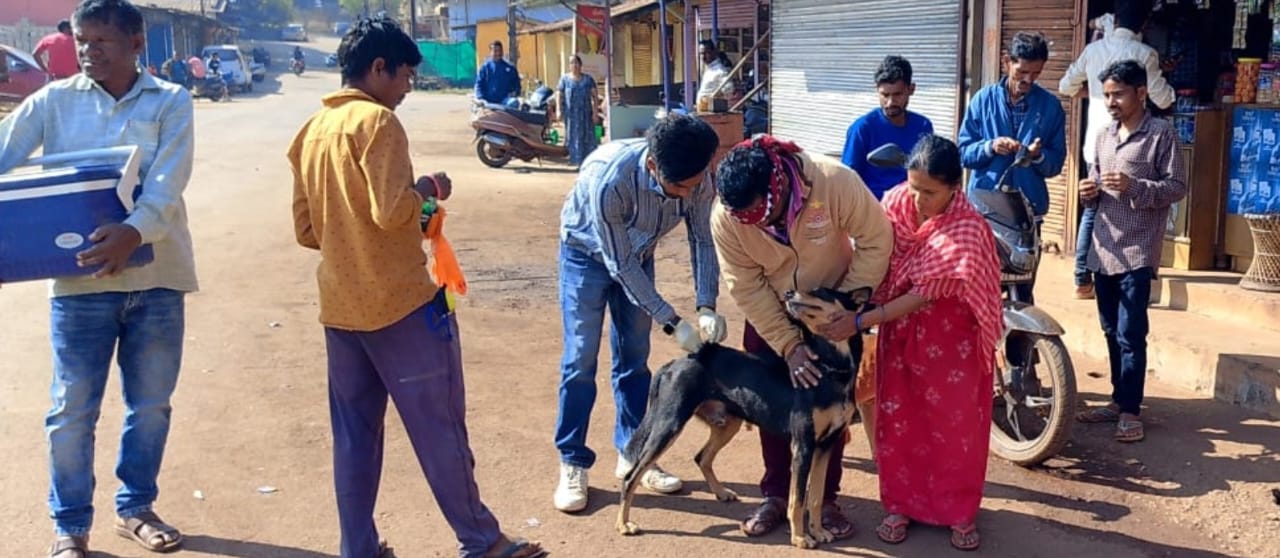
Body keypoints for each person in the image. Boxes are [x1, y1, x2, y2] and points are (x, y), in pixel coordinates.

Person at [288, 17, 547, 558]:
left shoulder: (309, 132)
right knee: (439, 429)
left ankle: (357, 547)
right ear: (378, 68)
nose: (408, 86)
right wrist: (427, 189)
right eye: (405, 74)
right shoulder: (378, 124)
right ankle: (481, 540)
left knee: (355, 437)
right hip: (401, 305)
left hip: (340, 309)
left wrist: (352, 234)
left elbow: (306, 231)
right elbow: (393, 211)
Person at [0, 1, 196, 556]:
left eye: (101, 41)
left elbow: (168, 181)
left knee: (151, 405)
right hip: (79, 286)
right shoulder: (52, 102)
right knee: (71, 410)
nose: (88, 51)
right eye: (82, 41)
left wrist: (134, 232)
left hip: (157, 278)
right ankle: (70, 527)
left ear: (137, 43)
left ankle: (135, 507)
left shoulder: (171, 101)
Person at [711, 135, 894, 541]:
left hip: (831, 309)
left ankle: (825, 501)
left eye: (765, 213)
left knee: (834, 406)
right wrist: (788, 343)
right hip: (771, 311)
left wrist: (849, 306)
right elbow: (744, 284)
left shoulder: (832, 181)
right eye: (746, 219)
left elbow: (876, 237)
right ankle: (776, 494)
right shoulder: (727, 216)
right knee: (772, 403)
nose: (758, 224)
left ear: (775, 184)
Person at [553, 114, 727, 513]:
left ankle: (635, 453)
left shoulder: (697, 177)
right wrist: (672, 321)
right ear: (653, 166)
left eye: (697, 183)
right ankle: (573, 461)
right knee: (580, 360)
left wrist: (705, 305)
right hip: (587, 256)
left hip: (640, 255)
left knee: (634, 360)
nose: (691, 194)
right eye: (681, 187)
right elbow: (620, 265)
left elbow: (702, 239)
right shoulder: (610, 180)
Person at [845, 134, 1003, 552]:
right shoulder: (894, 204)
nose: (917, 200)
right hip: (900, 337)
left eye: (930, 192)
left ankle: (958, 512)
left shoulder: (966, 229)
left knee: (954, 428)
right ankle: (899, 505)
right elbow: (874, 252)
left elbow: (922, 294)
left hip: (952, 343)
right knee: (900, 420)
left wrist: (864, 319)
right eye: (913, 187)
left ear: (955, 187)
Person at [1074, 60, 1186, 443]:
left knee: (1130, 332)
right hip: (1103, 248)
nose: (1111, 102)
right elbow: (1094, 180)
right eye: (1106, 95)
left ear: (1141, 93)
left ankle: (1131, 411)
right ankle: (1117, 399)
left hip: (1138, 250)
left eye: (1118, 94)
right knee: (1109, 329)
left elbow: (1176, 188)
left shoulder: (1161, 134)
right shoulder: (1104, 135)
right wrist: (1087, 191)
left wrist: (1135, 186)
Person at [1059, 0, 1175, 300]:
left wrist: (1095, 94)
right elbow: (1164, 100)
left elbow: (1065, 86)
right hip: (1131, 140)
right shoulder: (1145, 55)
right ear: (1144, 24)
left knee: (1093, 208)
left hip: (1094, 139)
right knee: (1132, 209)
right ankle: (1130, 273)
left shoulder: (1093, 51)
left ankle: (1082, 278)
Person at [958, 31, 1066, 305]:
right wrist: (989, 147)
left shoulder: (1051, 107)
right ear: (1007, 62)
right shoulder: (982, 100)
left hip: (1027, 216)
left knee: (1023, 291)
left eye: (1036, 73)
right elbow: (963, 152)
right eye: (1023, 72)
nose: (1028, 80)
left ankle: (1022, 346)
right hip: (985, 214)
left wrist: (1038, 156)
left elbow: (1055, 164)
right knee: (981, 291)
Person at [841, 55, 935, 201]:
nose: (890, 102)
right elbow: (848, 180)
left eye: (897, 94)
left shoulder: (923, 126)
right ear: (877, 90)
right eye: (885, 95)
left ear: (911, 89)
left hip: (913, 208)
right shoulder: (862, 128)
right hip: (874, 210)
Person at [556, 55, 600, 166]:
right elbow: (559, 94)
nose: (575, 66)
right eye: (572, 63)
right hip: (571, 115)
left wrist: (595, 112)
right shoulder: (564, 80)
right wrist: (558, 110)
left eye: (577, 63)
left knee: (587, 137)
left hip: (586, 114)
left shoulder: (588, 79)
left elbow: (595, 96)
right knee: (573, 136)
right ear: (569, 66)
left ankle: (588, 162)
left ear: (581, 65)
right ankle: (575, 161)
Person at [474, 40, 520, 105]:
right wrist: (480, 97)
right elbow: (479, 84)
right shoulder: (485, 68)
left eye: (500, 50)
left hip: (505, 100)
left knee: (514, 103)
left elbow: (517, 85)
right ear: (490, 52)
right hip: (487, 102)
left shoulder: (510, 68)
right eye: (495, 51)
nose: (498, 53)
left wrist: (515, 92)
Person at [696, 39, 734, 107]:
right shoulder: (709, 69)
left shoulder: (720, 70)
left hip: (711, 112)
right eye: (701, 54)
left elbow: (729, 89)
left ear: (714, 52)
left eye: (706, 53)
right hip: (702, 109)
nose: (703, 57)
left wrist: (714, 98)